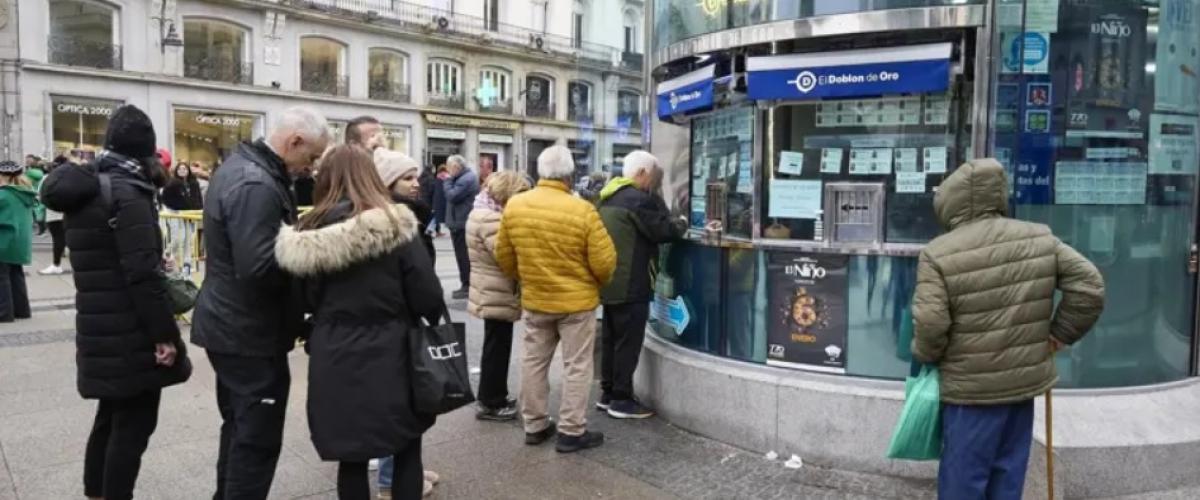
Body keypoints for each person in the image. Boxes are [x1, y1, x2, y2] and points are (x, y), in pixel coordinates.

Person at [910, 159, 1105, 499]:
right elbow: (1089, 285)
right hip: (1021, 390)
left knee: (963, 481)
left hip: (969, 393)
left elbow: (930, 324)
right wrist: (1059, 334)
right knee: (1007, 477)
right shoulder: (1040, 238)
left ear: (951, 202)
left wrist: (926, 357)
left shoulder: (938, 253)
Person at [40, 104, 192, 500]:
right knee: (133, 427)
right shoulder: (129, 192)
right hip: (131, 327)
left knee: (109, 417)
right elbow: (141, 274)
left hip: (99, 323)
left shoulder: (91, 187)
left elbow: (111, 256)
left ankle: (96, 493)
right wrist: (165, 336)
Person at [275, 145, 443, 500]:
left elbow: (298, 301)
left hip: (334, 351)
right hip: (394, 349)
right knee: (405, 445)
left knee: (351, 457)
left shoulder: (307, 231)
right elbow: (427, 295)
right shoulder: (397, 225)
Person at [191, 106, 331, 500]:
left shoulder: (246, 170)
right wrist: (311, 258)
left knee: (240, 429)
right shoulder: (256, 184)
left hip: (236, 327)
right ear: (294, 142)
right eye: (312, 156)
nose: (312, 166)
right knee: (255, 438)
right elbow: (260, 267)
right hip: (247, 333)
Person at [496, 145, 616, 453]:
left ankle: (534, 424)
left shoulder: (516, 206)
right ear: (570, 174)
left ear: (540, 171)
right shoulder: (583, 210)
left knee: (533, 362)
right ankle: (571, 431)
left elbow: (504, 258)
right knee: (577, 365)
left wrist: (527, 278)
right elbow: (604, 263)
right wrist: (594, 283)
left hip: (536, 300)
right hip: (577, 304)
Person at [596, 151, 687, 419]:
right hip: (631, 281)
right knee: (627, 342)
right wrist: (681, 223)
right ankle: (622, 400)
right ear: (643, 173)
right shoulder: (637, 200)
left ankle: (608, 392)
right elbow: (663, 230)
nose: (654, 184)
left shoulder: (608, 195)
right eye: (654, 178)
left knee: (611, 338)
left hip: (610, 280)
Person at [467, 171, 531, 422]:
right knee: (497, 347)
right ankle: (491, 402)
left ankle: (495, 395)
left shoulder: (481, 211)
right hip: (496, 291)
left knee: (496, 344)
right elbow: (505, 256)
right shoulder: (491, 219)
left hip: (490, 289)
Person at [0, 160, 35, 322]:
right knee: (16, 275)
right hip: (19, 242)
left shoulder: (3, 195)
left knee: (2, 278)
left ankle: (4, 313)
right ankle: (22, 310)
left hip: (3, 240)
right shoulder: (24, 193)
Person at [443, 155, 479, 299]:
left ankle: (467, 285)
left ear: (457, 167)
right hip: (459, 222)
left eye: (449, 167)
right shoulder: (463, 178)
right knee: (462, 256)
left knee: (463, 256)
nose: (448, 171)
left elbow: (452, 196)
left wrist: (447, 180)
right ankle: (466, 284)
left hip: (462, 223)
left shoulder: (466, 179)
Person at [39, 156, 70, 275]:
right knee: (65, 238)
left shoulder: (48, 178)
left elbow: (40, 194)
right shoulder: (70, 177)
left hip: (53, 212)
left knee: (58, 239)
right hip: (67, 212)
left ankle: (56, 264)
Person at [431, 165, 448, 237]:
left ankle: (431, 231)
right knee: (439, 216)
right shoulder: (447, 179)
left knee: (435, 217)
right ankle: (433, 231)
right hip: (444, 200)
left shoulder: (436, 179)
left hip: (437, 200)